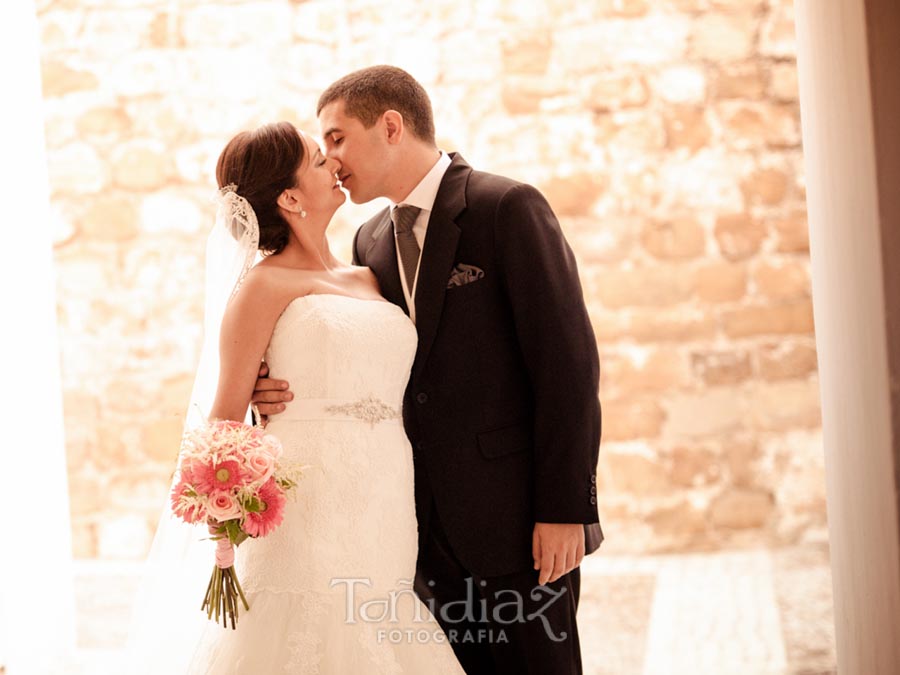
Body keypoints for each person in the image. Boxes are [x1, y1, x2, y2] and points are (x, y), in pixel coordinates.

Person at [252, 66, 604, 675]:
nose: (330, 160)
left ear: (390, 126)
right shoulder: (369, 244)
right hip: (406, 531)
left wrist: (565, 508)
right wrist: (277, 383)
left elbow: (568, 366)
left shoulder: (505, 208)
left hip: (515, 525)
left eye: (336, 138)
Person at [128, 121, 466, 674]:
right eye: (316, 159)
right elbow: (224, 422)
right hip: (309, 492)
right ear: (288, 197)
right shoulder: (263, 286)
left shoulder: (369, 277)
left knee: (378, 611)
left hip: (385, 488)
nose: (333, 164)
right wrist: (227, 515)